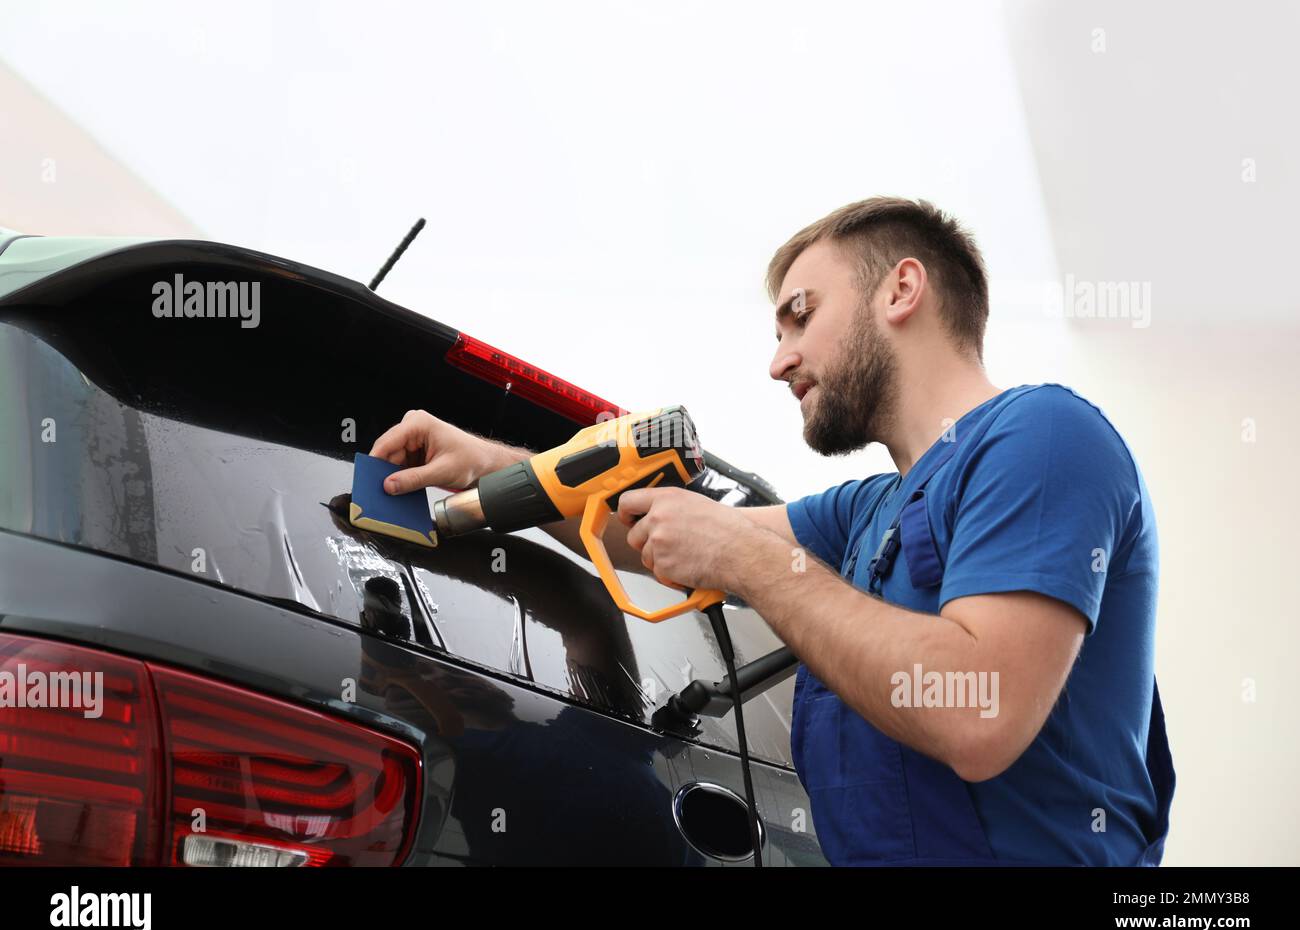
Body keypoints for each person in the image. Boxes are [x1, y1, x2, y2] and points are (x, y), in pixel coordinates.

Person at [370, 196, 1174, 866]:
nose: (779, 361)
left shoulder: (1044, 439)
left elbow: (979, 711)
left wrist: (754, 562)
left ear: (902, 291)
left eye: (800, 316)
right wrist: (487, 465)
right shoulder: (867, 511)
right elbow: (645, 534)